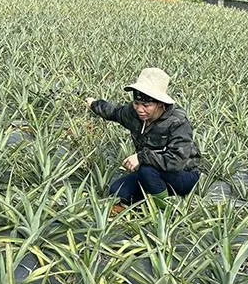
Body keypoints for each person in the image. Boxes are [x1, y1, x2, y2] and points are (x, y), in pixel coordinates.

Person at [85, 67, 201, 209]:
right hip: (152, 174)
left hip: (183, 174)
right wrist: (94, 104)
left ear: (160, 104)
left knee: (146, 169)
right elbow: (114, 112)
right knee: (117, 190)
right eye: (136, 103)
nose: (140, 109)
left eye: (146, 105)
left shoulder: (177, 121)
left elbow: (176, 161)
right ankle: (158, 192)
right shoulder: (134, 113)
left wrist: (141, 157)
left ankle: (166, 209)